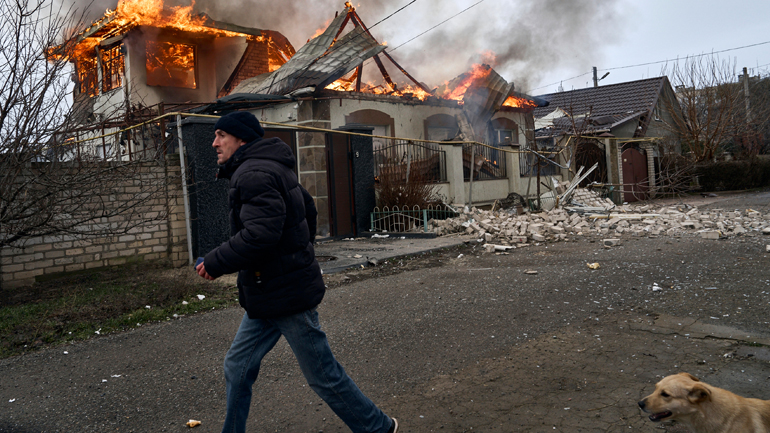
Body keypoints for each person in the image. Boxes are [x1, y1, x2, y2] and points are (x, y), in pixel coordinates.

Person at [195, 111, 398, 433]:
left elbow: (259, 235)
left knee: (323, 376)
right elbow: (309, 210)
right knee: (237, 366)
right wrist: (298, 252)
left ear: (241, 138)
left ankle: (377, 427)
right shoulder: (271, 166)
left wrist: (216, 261)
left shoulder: (253, 174)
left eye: (221, 135)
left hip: (284, 293)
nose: (214, 142)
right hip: (268, 290)